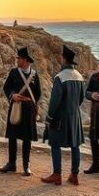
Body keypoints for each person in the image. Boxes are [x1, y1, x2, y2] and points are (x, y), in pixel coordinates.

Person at [41, 45, 85, 186]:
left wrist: (49, 117)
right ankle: (74, 175)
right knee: (75, 146)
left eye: (61, 56)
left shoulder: (60, 77)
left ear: (64, 59)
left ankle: (57, 175)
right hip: (75, 117)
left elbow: (55, 101)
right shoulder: (79, 76)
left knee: (54, 144)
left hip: (60, 118)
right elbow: (81, 99)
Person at [0, 47, 41, 176]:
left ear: (25, 60)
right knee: (12, 136)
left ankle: (26, 165)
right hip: (16, 107)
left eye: (19, 58)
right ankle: (11, 163)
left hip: (28, 109)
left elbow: (38, 93)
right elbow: (7, 87)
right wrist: (13, 95)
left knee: (27, 138)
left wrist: (29, 101)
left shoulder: (34, 75)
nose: (17, 60)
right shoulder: (13, 73)